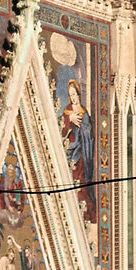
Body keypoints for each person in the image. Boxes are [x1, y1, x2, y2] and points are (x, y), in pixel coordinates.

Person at [61, 77, 98, 222]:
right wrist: (69, 121)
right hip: (71, 150)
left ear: (78, 94)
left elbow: (88, 133)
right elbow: (62, 131)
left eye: (75, 94)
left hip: (81, 153)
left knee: (81, 179)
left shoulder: (84, 113)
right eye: (71, 95)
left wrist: (82, 127)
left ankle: (83, 210)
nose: (73, 98)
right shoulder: (67, 111)